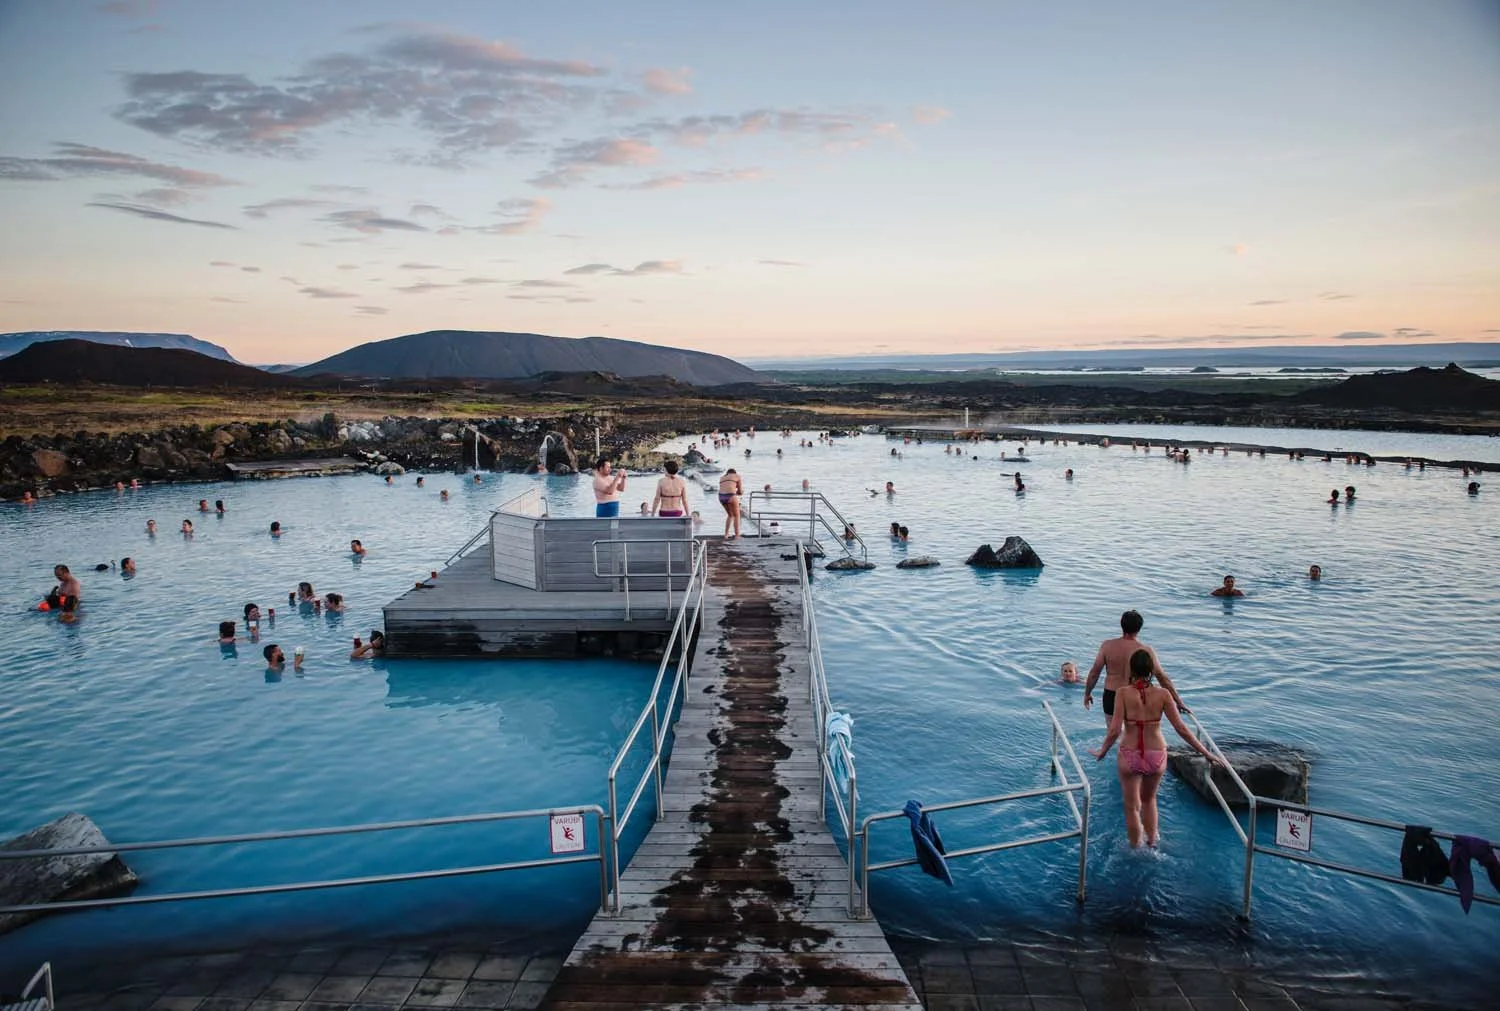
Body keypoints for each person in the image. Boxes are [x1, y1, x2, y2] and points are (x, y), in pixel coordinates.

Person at [1091, 649, 1222, 848]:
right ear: (1151, 670)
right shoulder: (1163, 694)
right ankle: (1152, 843)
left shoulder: (1123, 693)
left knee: (1131, 806)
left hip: (1129, 754)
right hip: (1157, 755)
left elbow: (1115, 730)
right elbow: (1181, 729)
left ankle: (1135, 847)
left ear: (1131, 669)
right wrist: (1205, 753)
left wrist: (1103, 751)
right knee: (1149, 800)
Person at [1084, 609, 1188, 723]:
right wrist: (1178, 701)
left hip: (1111, 695)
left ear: (1122, 625)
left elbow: (1094, 673)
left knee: (1113, 731)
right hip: (1133, 695)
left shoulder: (1107, 646)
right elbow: (1162, 677)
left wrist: (1087, 693)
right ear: (1139, 628)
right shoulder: (1145, 650)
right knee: (1133, 732)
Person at [718, 468, 743, 538]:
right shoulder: (737, 476)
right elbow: (740, 491)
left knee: (730, 515)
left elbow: (725, 487)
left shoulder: (722, 478)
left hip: (721, 497)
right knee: (737, 515)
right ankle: (737, 535)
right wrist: (739, 492)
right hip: (731, 496)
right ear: (734, 473)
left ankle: (726, 534)